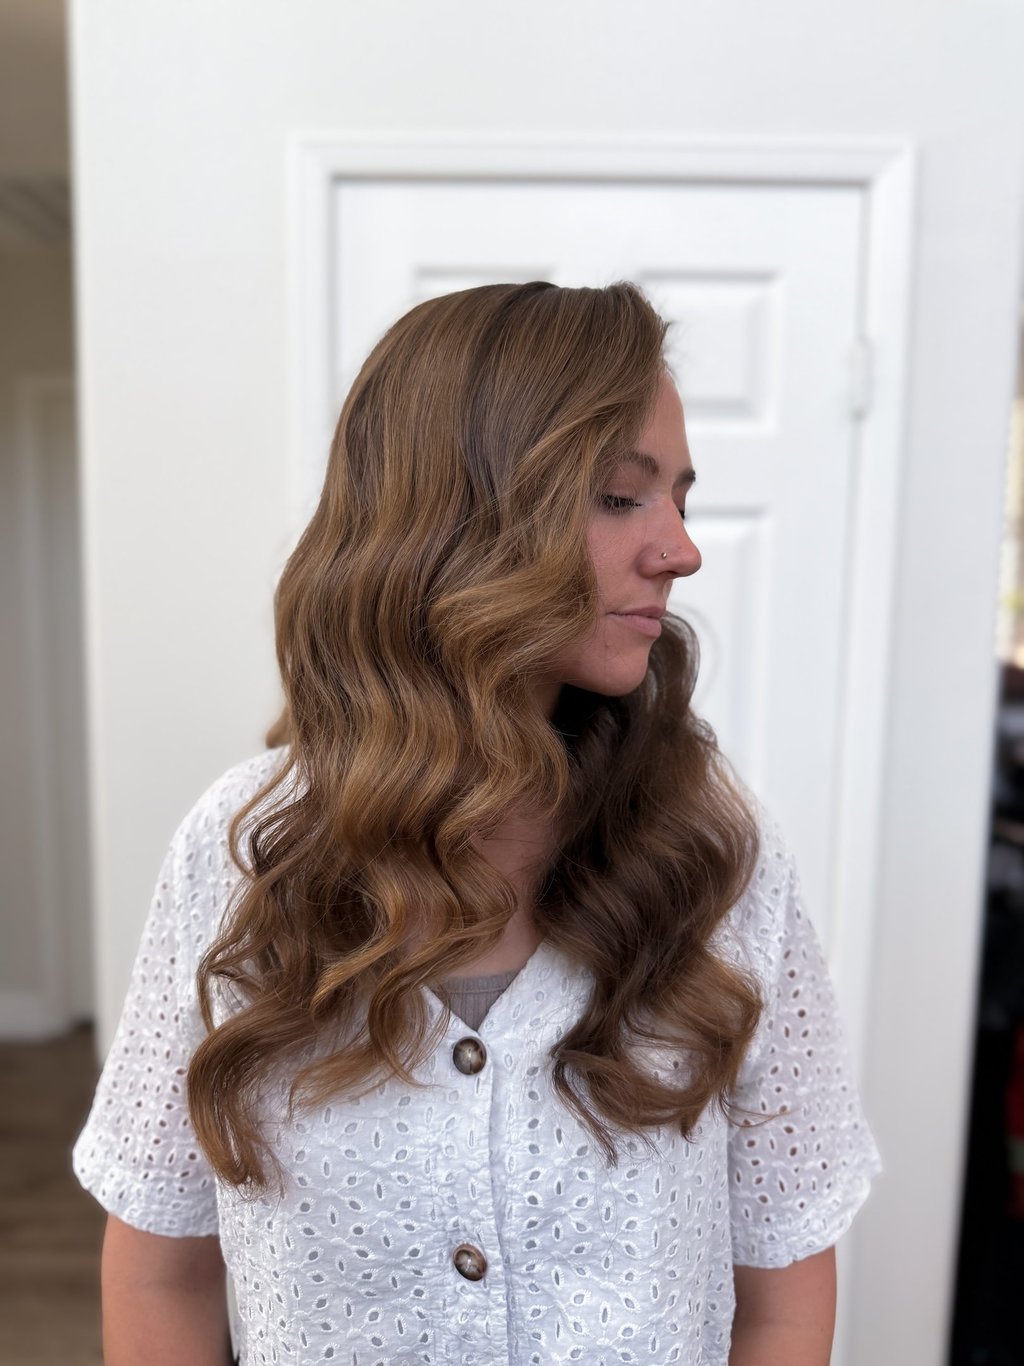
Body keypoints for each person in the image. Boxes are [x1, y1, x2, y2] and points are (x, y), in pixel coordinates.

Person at [73, 280, 881, 1366]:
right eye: (618, 498)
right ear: (460, 513)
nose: (680, 550)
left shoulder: (712, 852)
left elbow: (783, 1280)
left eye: (678, 497)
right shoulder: (244, 855)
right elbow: (161, 1270)